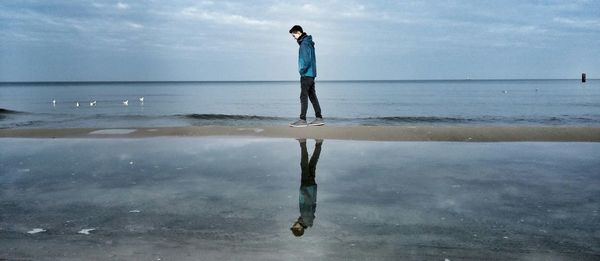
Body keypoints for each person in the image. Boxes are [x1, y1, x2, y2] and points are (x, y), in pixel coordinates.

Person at [289, 25, 324, 128]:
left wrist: (302, 70)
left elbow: (306, 60)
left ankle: (302, 120)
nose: (294, 37)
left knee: (303, 96)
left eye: (294, 35)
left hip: (306, 74)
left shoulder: (304, 43)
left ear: (299, 32)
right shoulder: (309, 42)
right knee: (312, 96)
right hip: (312, 74)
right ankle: (319, 118)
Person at [290, 139, 323, 237]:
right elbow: (308, 202)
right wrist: (303, 191)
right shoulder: (305, 217)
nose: (293, 224)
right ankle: (303, 143)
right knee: (304, 165)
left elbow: (313, 204)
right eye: (294, 227)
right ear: (299, 228)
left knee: (312, 165)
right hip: (307, 187)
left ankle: (319, 143)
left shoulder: (308, 220)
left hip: (311, 188)